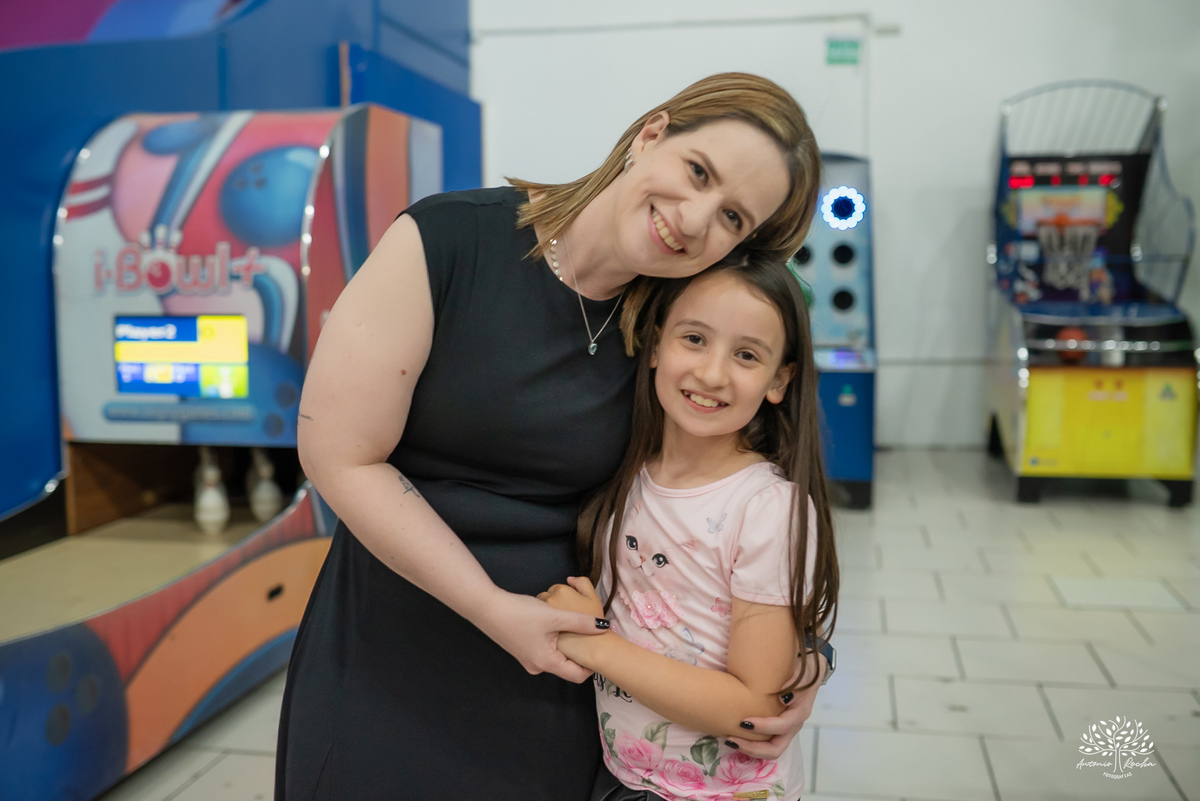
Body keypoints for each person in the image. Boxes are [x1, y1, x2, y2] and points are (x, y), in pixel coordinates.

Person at [277, 73, 826, 801]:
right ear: (652, 133)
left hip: (562, 681)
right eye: (697, 172)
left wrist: (793, 661)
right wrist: (490, 607)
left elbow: (746, 492)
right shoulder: (449, 240)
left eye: (731, 217)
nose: (693, 219)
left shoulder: (682, 322)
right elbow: (337, 453)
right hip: (394, 638)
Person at [539, 254, 838, 801]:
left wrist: (595, 645)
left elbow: (755, 709)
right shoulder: (629, 469)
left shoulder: (768, 508)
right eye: (694, 339)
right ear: (655, 345)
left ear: (779, 380)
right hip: (626, 776)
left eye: (747, 355)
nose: (712, 373)